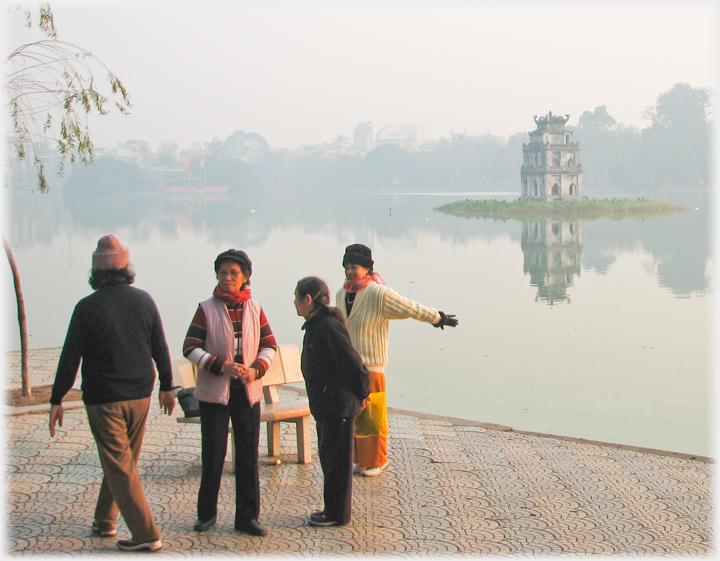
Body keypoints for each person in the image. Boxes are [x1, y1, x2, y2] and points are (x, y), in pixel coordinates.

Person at [49, 235, 175, 553]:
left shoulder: (86, 308)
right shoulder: (144, 300)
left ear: (96, 272)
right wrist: (166, 386)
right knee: (123, 462)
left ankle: (146, 534)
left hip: (104, 398)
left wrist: (56, 398)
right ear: (126, 269)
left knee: (120, 465)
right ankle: (105, 520)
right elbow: (160, 346)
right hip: (141, 395)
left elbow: (70, 357)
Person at [336, 243, 458, 477]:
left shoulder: (377, 293)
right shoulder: (341, 294)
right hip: (348, 367)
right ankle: (358, 458)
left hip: (371, 366)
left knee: (372, 419)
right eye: (347, 267)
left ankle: (376, 461)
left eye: (355, 267)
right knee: (352, 415)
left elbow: (409, 307)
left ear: (367, 269)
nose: (350, 272)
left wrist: (437, 318)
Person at [182, 249, 277, 536]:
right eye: (222, 273)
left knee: (248, 456)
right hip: (215, 393)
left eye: (233, 273)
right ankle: (206, 515)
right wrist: (219, 365)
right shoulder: (206, 308)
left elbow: (269, 346)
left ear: (245, 277)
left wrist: (256, 370)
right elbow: (190, 347)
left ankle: (247, 518)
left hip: (247, 393)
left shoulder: (255, 308)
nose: (227, 278)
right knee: (213, 454)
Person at [294, 277, 370, 527]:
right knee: (329, 459)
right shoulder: (316, 325)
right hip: (327, 406)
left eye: (297, 297)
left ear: (308, 300)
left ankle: (338, 515)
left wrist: (363, 392)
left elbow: (353, 363)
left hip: (338, 406)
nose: (294, 303)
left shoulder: (327, 327)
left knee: (338, 462)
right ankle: (331, 508)